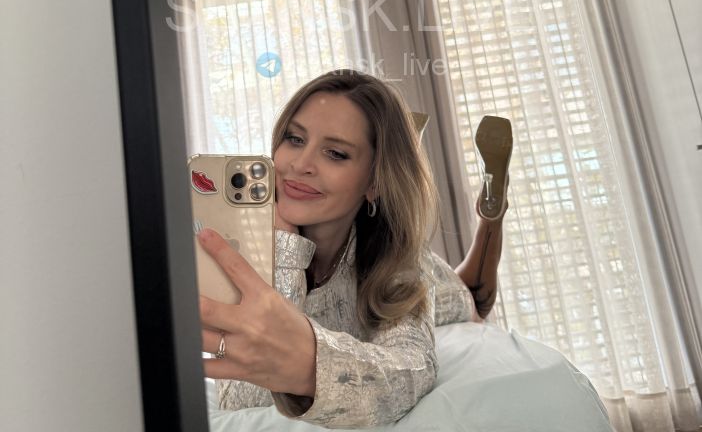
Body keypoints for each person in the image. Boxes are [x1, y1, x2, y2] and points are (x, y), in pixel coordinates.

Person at [197, 68, 510, 428]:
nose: (300, 165)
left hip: (422, 270)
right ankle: (402, 143)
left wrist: (309, 364)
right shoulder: (238, 255)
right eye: (295, 139)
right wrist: (286, 251)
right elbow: (242, 401)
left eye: (335, 153)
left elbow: (412, 370)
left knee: (475, 298)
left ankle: (492, 216)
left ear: (374, 182)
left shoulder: (399, 264)